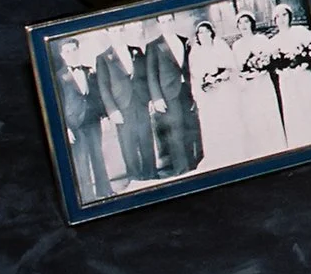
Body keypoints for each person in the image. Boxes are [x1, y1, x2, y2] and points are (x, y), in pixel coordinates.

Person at [92, 29, 158, 185]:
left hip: (141, 101)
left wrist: (150, 99)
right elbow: (103, 87)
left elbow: (145, 77)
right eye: (113, 32)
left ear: (123, 31)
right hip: (121, 106)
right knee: (128, 143)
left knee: (146, 138)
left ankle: (152, 174)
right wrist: (112, 110)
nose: (118, 34)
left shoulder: (136, 51)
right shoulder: (103, 58)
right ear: (108, 34)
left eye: (120, 30)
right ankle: (135, 178)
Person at [53, 37, 113, 201]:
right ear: (62, 55)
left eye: (74, 50)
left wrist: (104, 116)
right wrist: (65, 127)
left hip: (93, 119)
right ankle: (87, 197)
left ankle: (105, 190)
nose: (72, 54)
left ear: (78, 51)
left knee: (98, 156)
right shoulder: (58, 76)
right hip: (74, 123)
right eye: (68, 51)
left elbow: (97, 95)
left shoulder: (88, 70)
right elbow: (58, 103)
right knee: (81, 161)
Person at [263, 1, 311, 147]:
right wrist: (282, 71)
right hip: (287, 80)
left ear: (290, 16)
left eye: (284, 15)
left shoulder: (300, 32)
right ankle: (298, 143)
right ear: (274, 20)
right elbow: (272, 65)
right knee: (293, 110)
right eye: (278, 16)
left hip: (304, 75)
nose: (282, 19)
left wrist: (305, 64)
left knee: (309, 106)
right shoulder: (273, 41)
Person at [140, 24, 201, 178]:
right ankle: (182, 170)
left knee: (190, 129)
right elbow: (151, 74)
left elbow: (190, 66)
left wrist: (194, 92)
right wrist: (157, 98)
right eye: (163, 20)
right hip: (168, 95)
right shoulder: (153, 45)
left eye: (169, 19)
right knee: (175, 133)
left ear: (173, 20)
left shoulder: (184, 40)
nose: (166, 22)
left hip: (186, 91)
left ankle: (194, 166)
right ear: (159, 24)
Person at [228, 11, 285, 155]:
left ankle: (277, 148)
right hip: (248, 87)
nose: (243, 25)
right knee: (254, 117)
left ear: (252, 23)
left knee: (268, 113)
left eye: (246, 22)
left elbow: (270, 61)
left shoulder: (261, 39)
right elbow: (236, 68)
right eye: (240, 23)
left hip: (263, 82)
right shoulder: (236, 45)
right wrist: (245, 75)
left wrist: (261, 69)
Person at [185, 20, 241, 165]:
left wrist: (220, 77)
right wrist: (205, 85)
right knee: (213, 124)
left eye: (206, 31)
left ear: (211, 32)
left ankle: (233, 154)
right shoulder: (195, 52)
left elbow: (231, 68)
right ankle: (218, 156)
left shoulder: (220, 46)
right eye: (200, 32)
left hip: (224, 91)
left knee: (227, 121)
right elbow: (195, 75)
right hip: (209, 95)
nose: (203, 34)